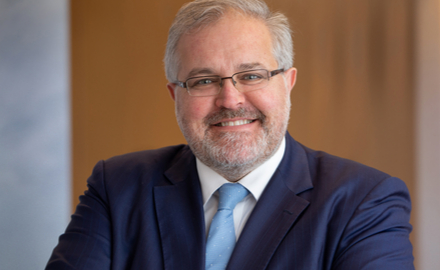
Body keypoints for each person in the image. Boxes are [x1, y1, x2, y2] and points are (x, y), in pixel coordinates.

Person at [46, 0, 414, 269]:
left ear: (287, 83)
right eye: (204, 80)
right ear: (176, 96)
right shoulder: (117, 188)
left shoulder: (365, 202)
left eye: (251, 75)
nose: (230, 99)